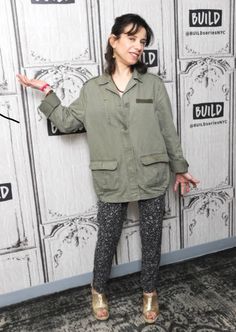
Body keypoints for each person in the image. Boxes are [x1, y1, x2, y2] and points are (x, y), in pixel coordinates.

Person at [17, 13, 199, 324]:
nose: (138, 46)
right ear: (113, 41)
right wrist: (47, 92)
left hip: (151, 173)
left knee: (152, 236)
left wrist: (179, 168)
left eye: (142, 41)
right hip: (111, 176)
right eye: (131, 38)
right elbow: (67, 121)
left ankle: (150, 292)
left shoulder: (153, 85)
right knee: (108, 237)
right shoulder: (92, 89)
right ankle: (98, 289)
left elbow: (168, 130)